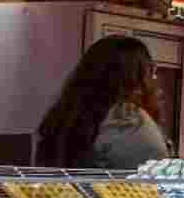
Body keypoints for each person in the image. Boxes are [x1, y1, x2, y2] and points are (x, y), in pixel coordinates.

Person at [36, 37, 171, 171]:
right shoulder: (128, 120)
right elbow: (154, 173)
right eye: (151, 73)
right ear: (138, 78)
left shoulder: (67, 114)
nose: (155, 83)